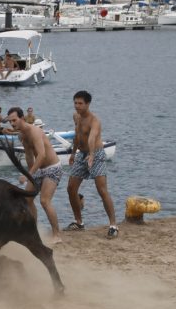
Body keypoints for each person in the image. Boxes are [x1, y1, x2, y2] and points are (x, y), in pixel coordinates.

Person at [65, 90, 118, 238]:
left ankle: (113, 225)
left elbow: (92, 138)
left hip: (96, 154)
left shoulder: (95, 120)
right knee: (71, 188)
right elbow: (77, 135)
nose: (77, 106)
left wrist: (92, 155)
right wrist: (73, 153)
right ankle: (79, 222)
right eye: (75, 103)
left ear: (88, 104)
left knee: (102, 190)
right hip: (81, 154)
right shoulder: (76, 116)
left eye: (80, 103)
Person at [8, 107, 63, 244]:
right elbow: (28, 155)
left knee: (44, 201)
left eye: (14, 120)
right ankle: (34, 231)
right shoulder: (22, 135)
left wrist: (29, 175)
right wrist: (28, 173)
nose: (12, 124)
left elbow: (42, 155)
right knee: (27, 200)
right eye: (10, 122)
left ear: (22, 118)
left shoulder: (34, 132)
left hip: (52, 168)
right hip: (38, 169)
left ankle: (56, 234)